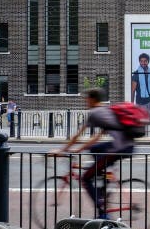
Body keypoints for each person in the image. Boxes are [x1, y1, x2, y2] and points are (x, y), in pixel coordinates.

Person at [50, 88, 135, 219]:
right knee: (94, 149)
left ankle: (103, 212)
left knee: (85, 178)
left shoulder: (95, 113)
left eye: (86, 98)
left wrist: (62, 150)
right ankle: (104, 178)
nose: (85, 101)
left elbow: (77, 136)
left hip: (119, 148)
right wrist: (79, 150)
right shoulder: (106, 110)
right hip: (127, 145)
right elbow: (97, 137)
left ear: (92, 99)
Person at [131, 53, 150, 119]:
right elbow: (132, 91)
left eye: (145, 61)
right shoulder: (136, 74)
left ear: (148, 62)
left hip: (149, 101)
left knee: (149, 121)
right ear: (139, 62)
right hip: (140, 103)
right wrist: (132, 104)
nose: (143, 63)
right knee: (141, 121)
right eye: (141, 61)